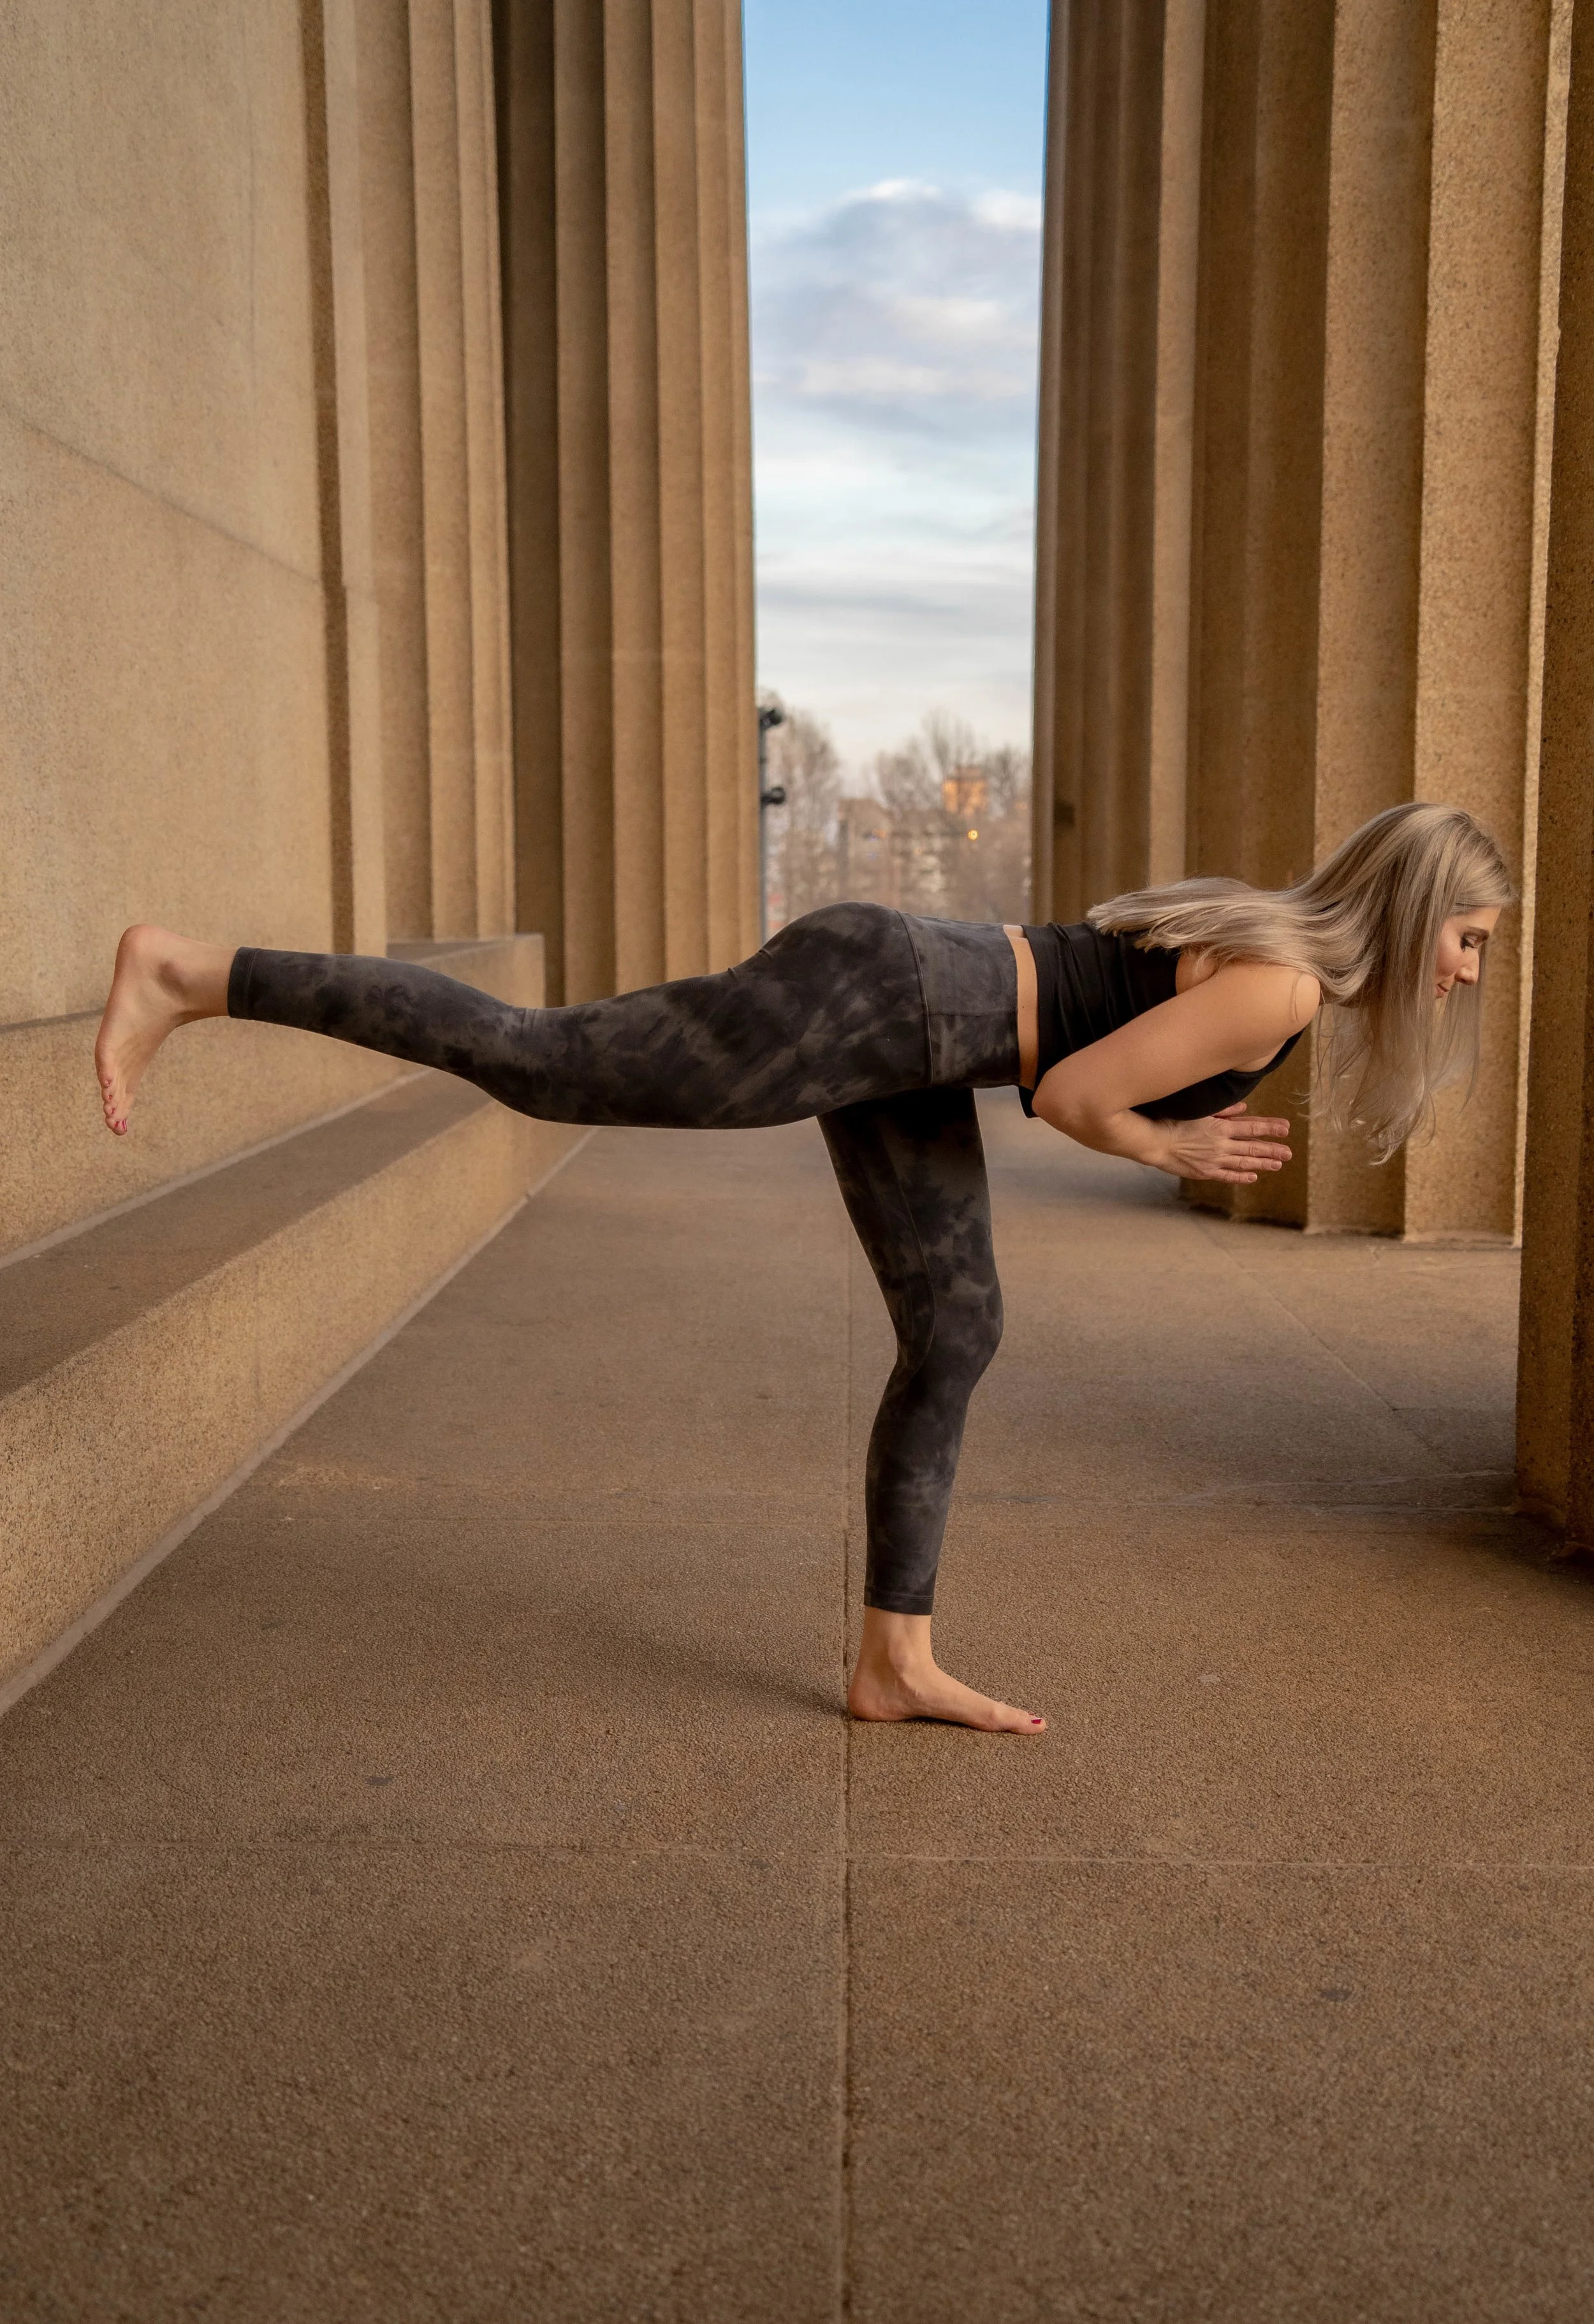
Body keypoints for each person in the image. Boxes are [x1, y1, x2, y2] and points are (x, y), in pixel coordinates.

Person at [93, 800, 1510, 1736]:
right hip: (884, 998)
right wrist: (1169, 1154)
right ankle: (191, 973)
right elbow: (1074, 1095)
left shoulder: (1280, 965)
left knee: (956, 1325)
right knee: (538, 1061)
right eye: (1463, 937)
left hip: (919, 1028)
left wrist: (1146, 1129)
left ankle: (892, 1658)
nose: (1463, 968)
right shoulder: (1278, 984)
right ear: (1406, 912)